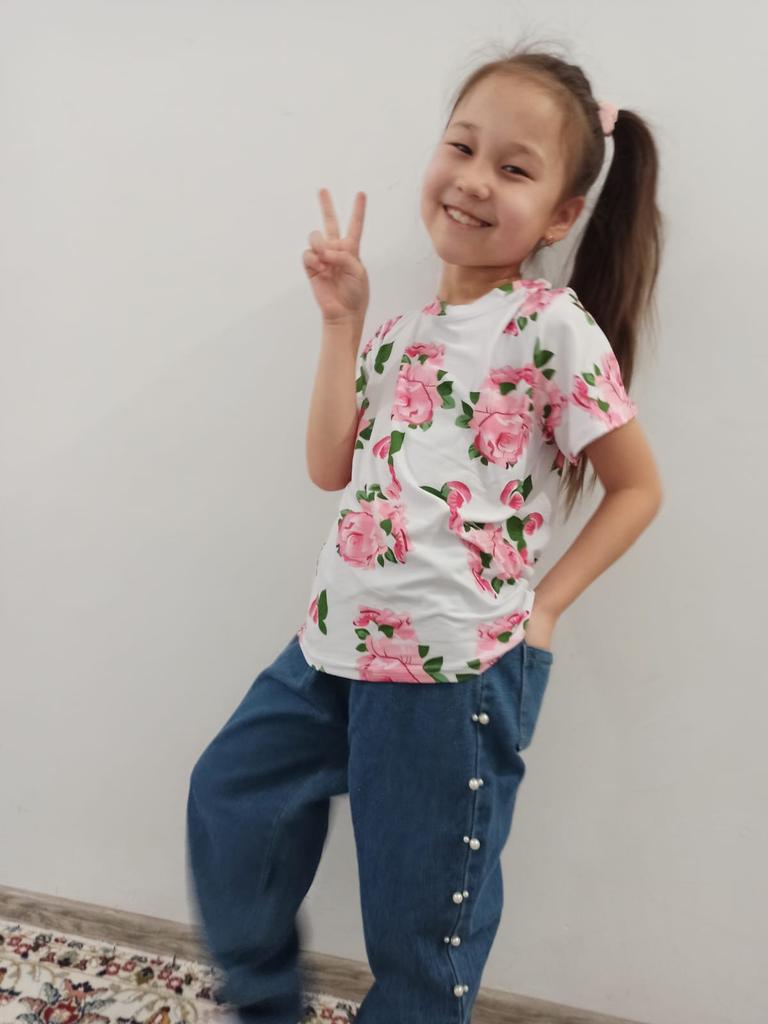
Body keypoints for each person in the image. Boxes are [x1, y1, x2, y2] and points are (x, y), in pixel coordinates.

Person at [186, 44, 664, 1024]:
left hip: (454, 668)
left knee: (418, 933)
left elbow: (637, 488)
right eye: (463, 146)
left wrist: (545, 609)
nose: (476, 179)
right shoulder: (400, 333)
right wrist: (342, 322)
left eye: (515, 168)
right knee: (231, 798)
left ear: (562, 215)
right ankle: (265, 1006)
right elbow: (329, 465)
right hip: (332, 644)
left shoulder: (549, 326)